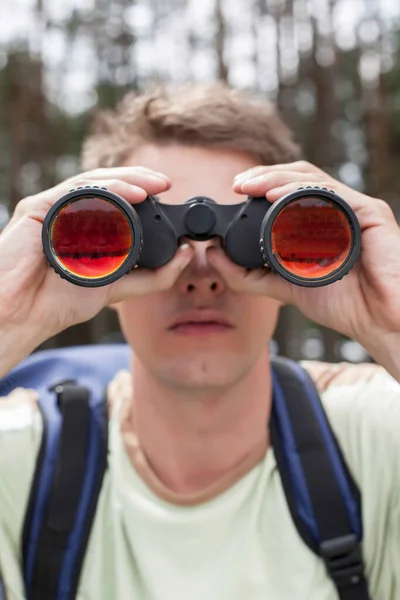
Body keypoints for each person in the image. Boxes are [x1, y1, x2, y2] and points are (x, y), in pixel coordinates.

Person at [0, 82, 400, 600]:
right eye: (148, 240)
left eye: (246, 246)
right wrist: (6, 319)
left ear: (286, 268)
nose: (203, 276)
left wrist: (392, 326)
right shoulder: (24, 459)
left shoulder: (376, 436)